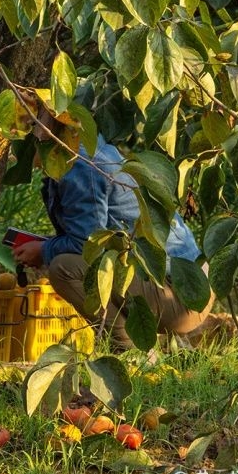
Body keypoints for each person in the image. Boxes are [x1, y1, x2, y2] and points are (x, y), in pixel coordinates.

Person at [11, 101, 212, 350]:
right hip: (188, 287)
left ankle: (127, 351)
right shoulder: (88, 151)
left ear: (42, 133)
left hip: (182, 296)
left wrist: (43, 251)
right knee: (70, 261)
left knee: (64, 268)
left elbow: (85, 244)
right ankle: (147, 348)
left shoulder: (78, 167)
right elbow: (94, 235)